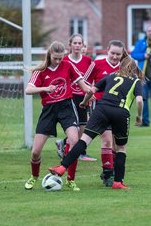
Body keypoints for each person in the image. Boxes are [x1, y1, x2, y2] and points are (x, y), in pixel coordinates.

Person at [48, 56, 144, 189]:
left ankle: (62, 167)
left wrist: (84, 102)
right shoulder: (136, 81)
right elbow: (139, 100)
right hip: (120, 113)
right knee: (121, 148)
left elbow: (91, 90)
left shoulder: (111, 76)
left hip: (101, 109)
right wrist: (139, 116)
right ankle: (117, 182)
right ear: (133, 68)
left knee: (84, 140)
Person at [24, 41, 92, 191]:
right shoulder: (40, 71)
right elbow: (28, 90)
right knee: (35, 152)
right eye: (56, 58)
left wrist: (90, 91)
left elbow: (83, 84)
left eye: (61, 58)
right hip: (48, 110)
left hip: (66, 107)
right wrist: (45, 88)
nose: (59, 61)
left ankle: (70, 179)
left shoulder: (67, 65)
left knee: (74, 140)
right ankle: (34, 177)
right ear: (50, 55)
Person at [83, 40, 127, 186]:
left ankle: (110, 169)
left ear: (122, 54)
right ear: (107, 50)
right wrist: (89, 97)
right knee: (107, 139)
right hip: (100, 107)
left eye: (118, 54)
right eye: (112, 53)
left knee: (116, 144)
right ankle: (108, 174)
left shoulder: (126, 67)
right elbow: (85, 82)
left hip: (119, 109)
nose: (115, 56)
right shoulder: (97, 63)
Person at [54, 34, 97, 162]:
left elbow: (91, 79)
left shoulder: (88, 60)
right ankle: (77, 152)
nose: (77, 46)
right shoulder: (65, 60)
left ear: (83, 45)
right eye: (75, 43)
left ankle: (64, 143)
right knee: (75, 128)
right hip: (69, 97)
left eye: (80, 43)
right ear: (70, 45)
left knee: (84, 127)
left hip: (83, 97)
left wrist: (91, 93)